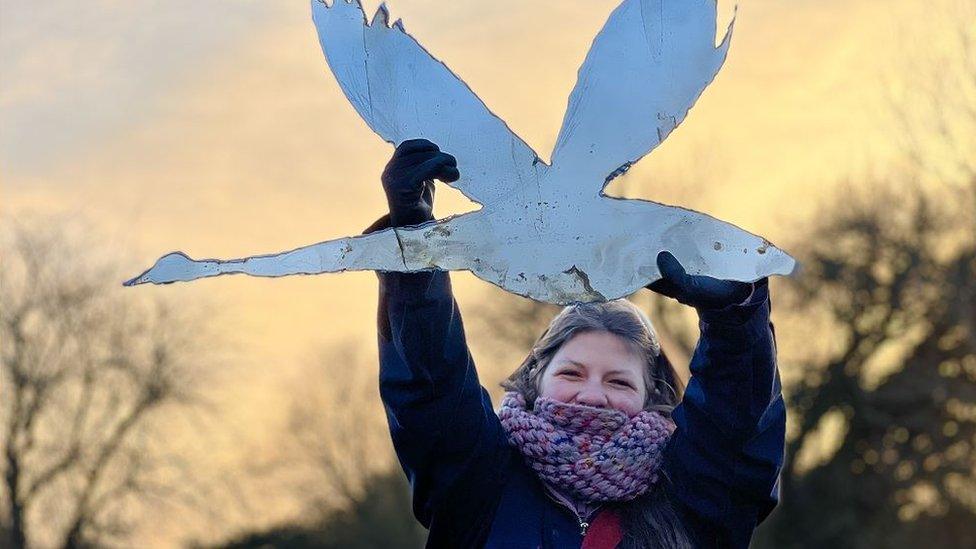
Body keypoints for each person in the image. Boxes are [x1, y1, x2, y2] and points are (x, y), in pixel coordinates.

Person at [362, 139, 785, 548]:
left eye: (619, 382)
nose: (592, 395)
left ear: (651, 396)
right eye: (571, 372)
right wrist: (414, 251)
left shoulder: (693, 498)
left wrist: (736, 319)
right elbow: (430, 389)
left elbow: (738, 430)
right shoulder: (477, 481)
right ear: (534, 380)